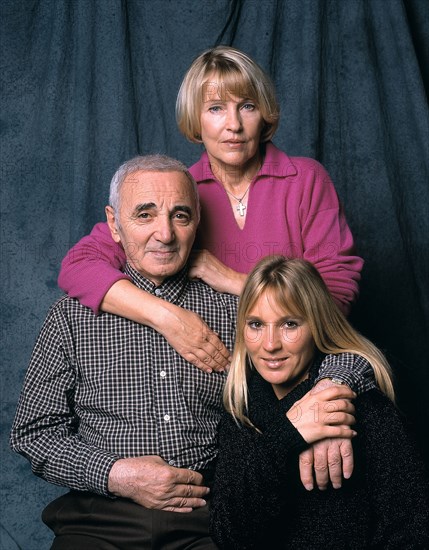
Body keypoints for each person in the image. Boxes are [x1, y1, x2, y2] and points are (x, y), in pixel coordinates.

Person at [10, 156, 361, 549]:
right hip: (101, 521)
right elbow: (34, 434)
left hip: (212, 520)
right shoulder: (71, 317)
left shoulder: (235, 311)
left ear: (197, 222)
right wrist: (117, 474)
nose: (165, 234)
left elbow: (338, 345)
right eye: (145, 215)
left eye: (180, 216)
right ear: (114, 224)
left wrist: (331, 399)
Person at [58, 46, 366, 488]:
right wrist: (169, 319)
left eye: (247, 106)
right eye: (216, 108)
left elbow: (335, 295)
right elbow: (79, 265)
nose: (234, 125)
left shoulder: (306, 179)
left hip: (301, 366)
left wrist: (235, 280)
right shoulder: (175, 195)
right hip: (226, 389)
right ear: (195, 120)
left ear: (266, 113)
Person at [210, 255, 429, 550]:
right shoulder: (241, 412)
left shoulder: (361, 405)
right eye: (256, 324)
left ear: (316, 325)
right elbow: (231, 537)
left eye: (289, 324)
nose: (271, 344)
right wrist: (290, 433)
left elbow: (412, 526)